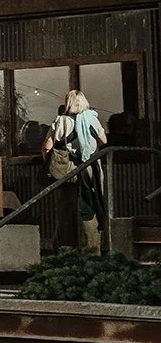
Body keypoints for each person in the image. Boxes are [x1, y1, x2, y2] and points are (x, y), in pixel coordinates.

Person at [47, 89, 106, 250]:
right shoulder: (91, 119)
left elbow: (47, 147)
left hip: (65, 170)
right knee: (89, 206)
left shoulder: (60, 121)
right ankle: (93, 250)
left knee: (65, 209)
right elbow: (104, 140)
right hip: (89, 168)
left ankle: (66, 251)